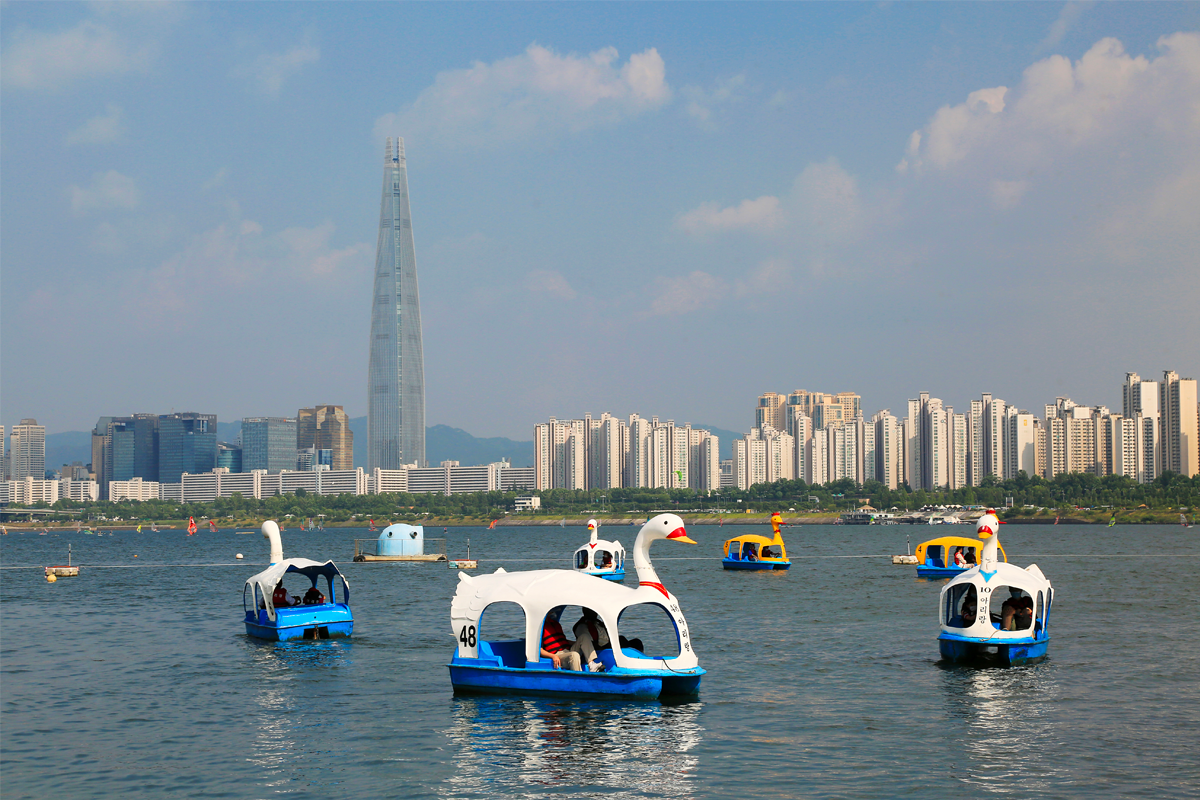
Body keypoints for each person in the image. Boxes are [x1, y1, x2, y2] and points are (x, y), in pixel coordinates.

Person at [571, 608, 609, 672]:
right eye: (592, 612)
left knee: (622, 639)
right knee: (584, 637)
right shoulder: (581, 626)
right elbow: (588, 643)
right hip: (593, 649)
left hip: (604, 644)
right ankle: (591, 665)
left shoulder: (598, 623)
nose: (595, 614)